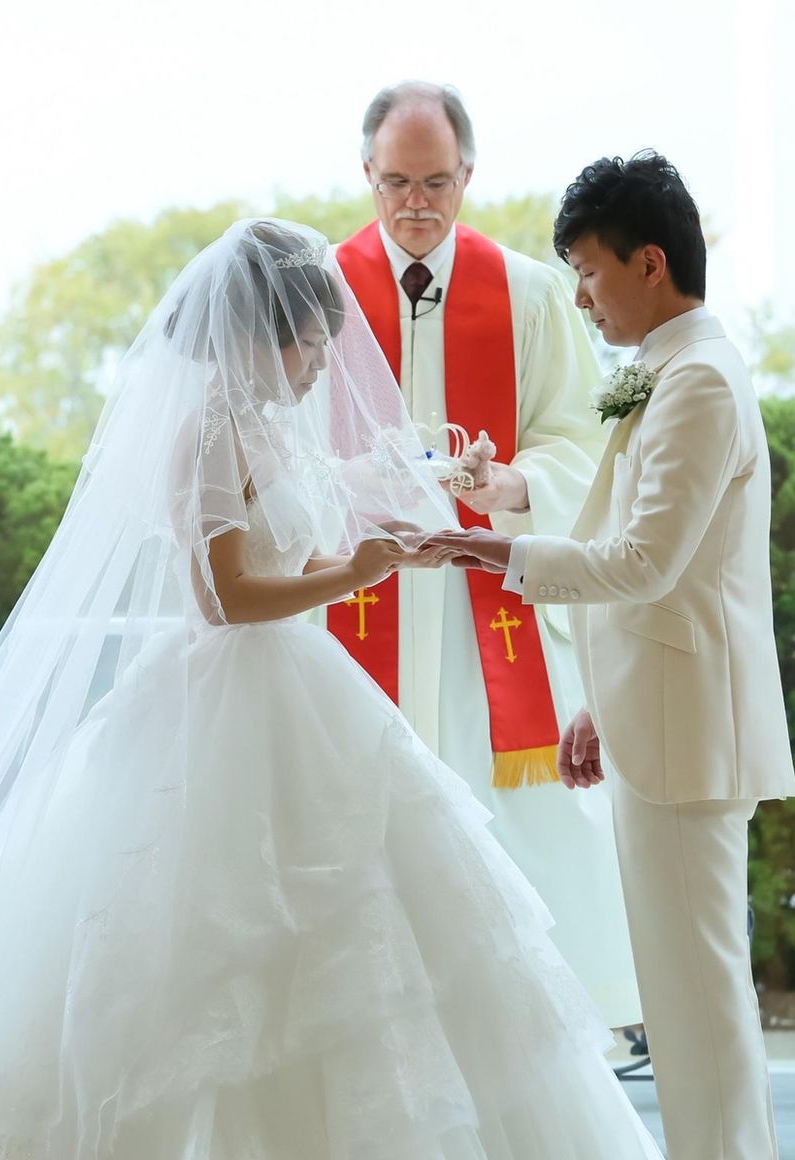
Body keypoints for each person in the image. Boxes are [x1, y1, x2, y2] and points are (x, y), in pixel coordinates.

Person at [0, 221, 660, 1159]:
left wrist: (400, 534)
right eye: (310, 344)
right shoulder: (208, 432)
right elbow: (222, 596)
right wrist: (351, 575)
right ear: (260, 336)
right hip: (223, 700)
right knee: (210, 942)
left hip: (302, 692)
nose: (322, 364)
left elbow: (323, 524)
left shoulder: (275, 427)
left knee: (358, 922)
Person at [423, 153, 795, 1160]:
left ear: (648, 262)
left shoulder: (698, 381)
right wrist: (598, 700)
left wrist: (489, 551)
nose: (580, 298)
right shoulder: (665, 371)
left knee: (700, 1004)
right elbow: (659, 572)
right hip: (657, 719)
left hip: (688, 740)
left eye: (587, 272)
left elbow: (642, 561)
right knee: (683, 1001)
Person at [328, 80, 640, 1026]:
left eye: (435, 182)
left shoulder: (529, 294)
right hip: (360, 598)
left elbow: (581, 443)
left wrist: (510, 484)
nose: (416, 204)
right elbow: (284, 442)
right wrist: (353, 483)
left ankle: (528, 1028)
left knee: (514, 822)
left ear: (467, 173)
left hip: (485, 615)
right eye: (396, 183)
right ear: (366, 173)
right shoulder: (323, 292)